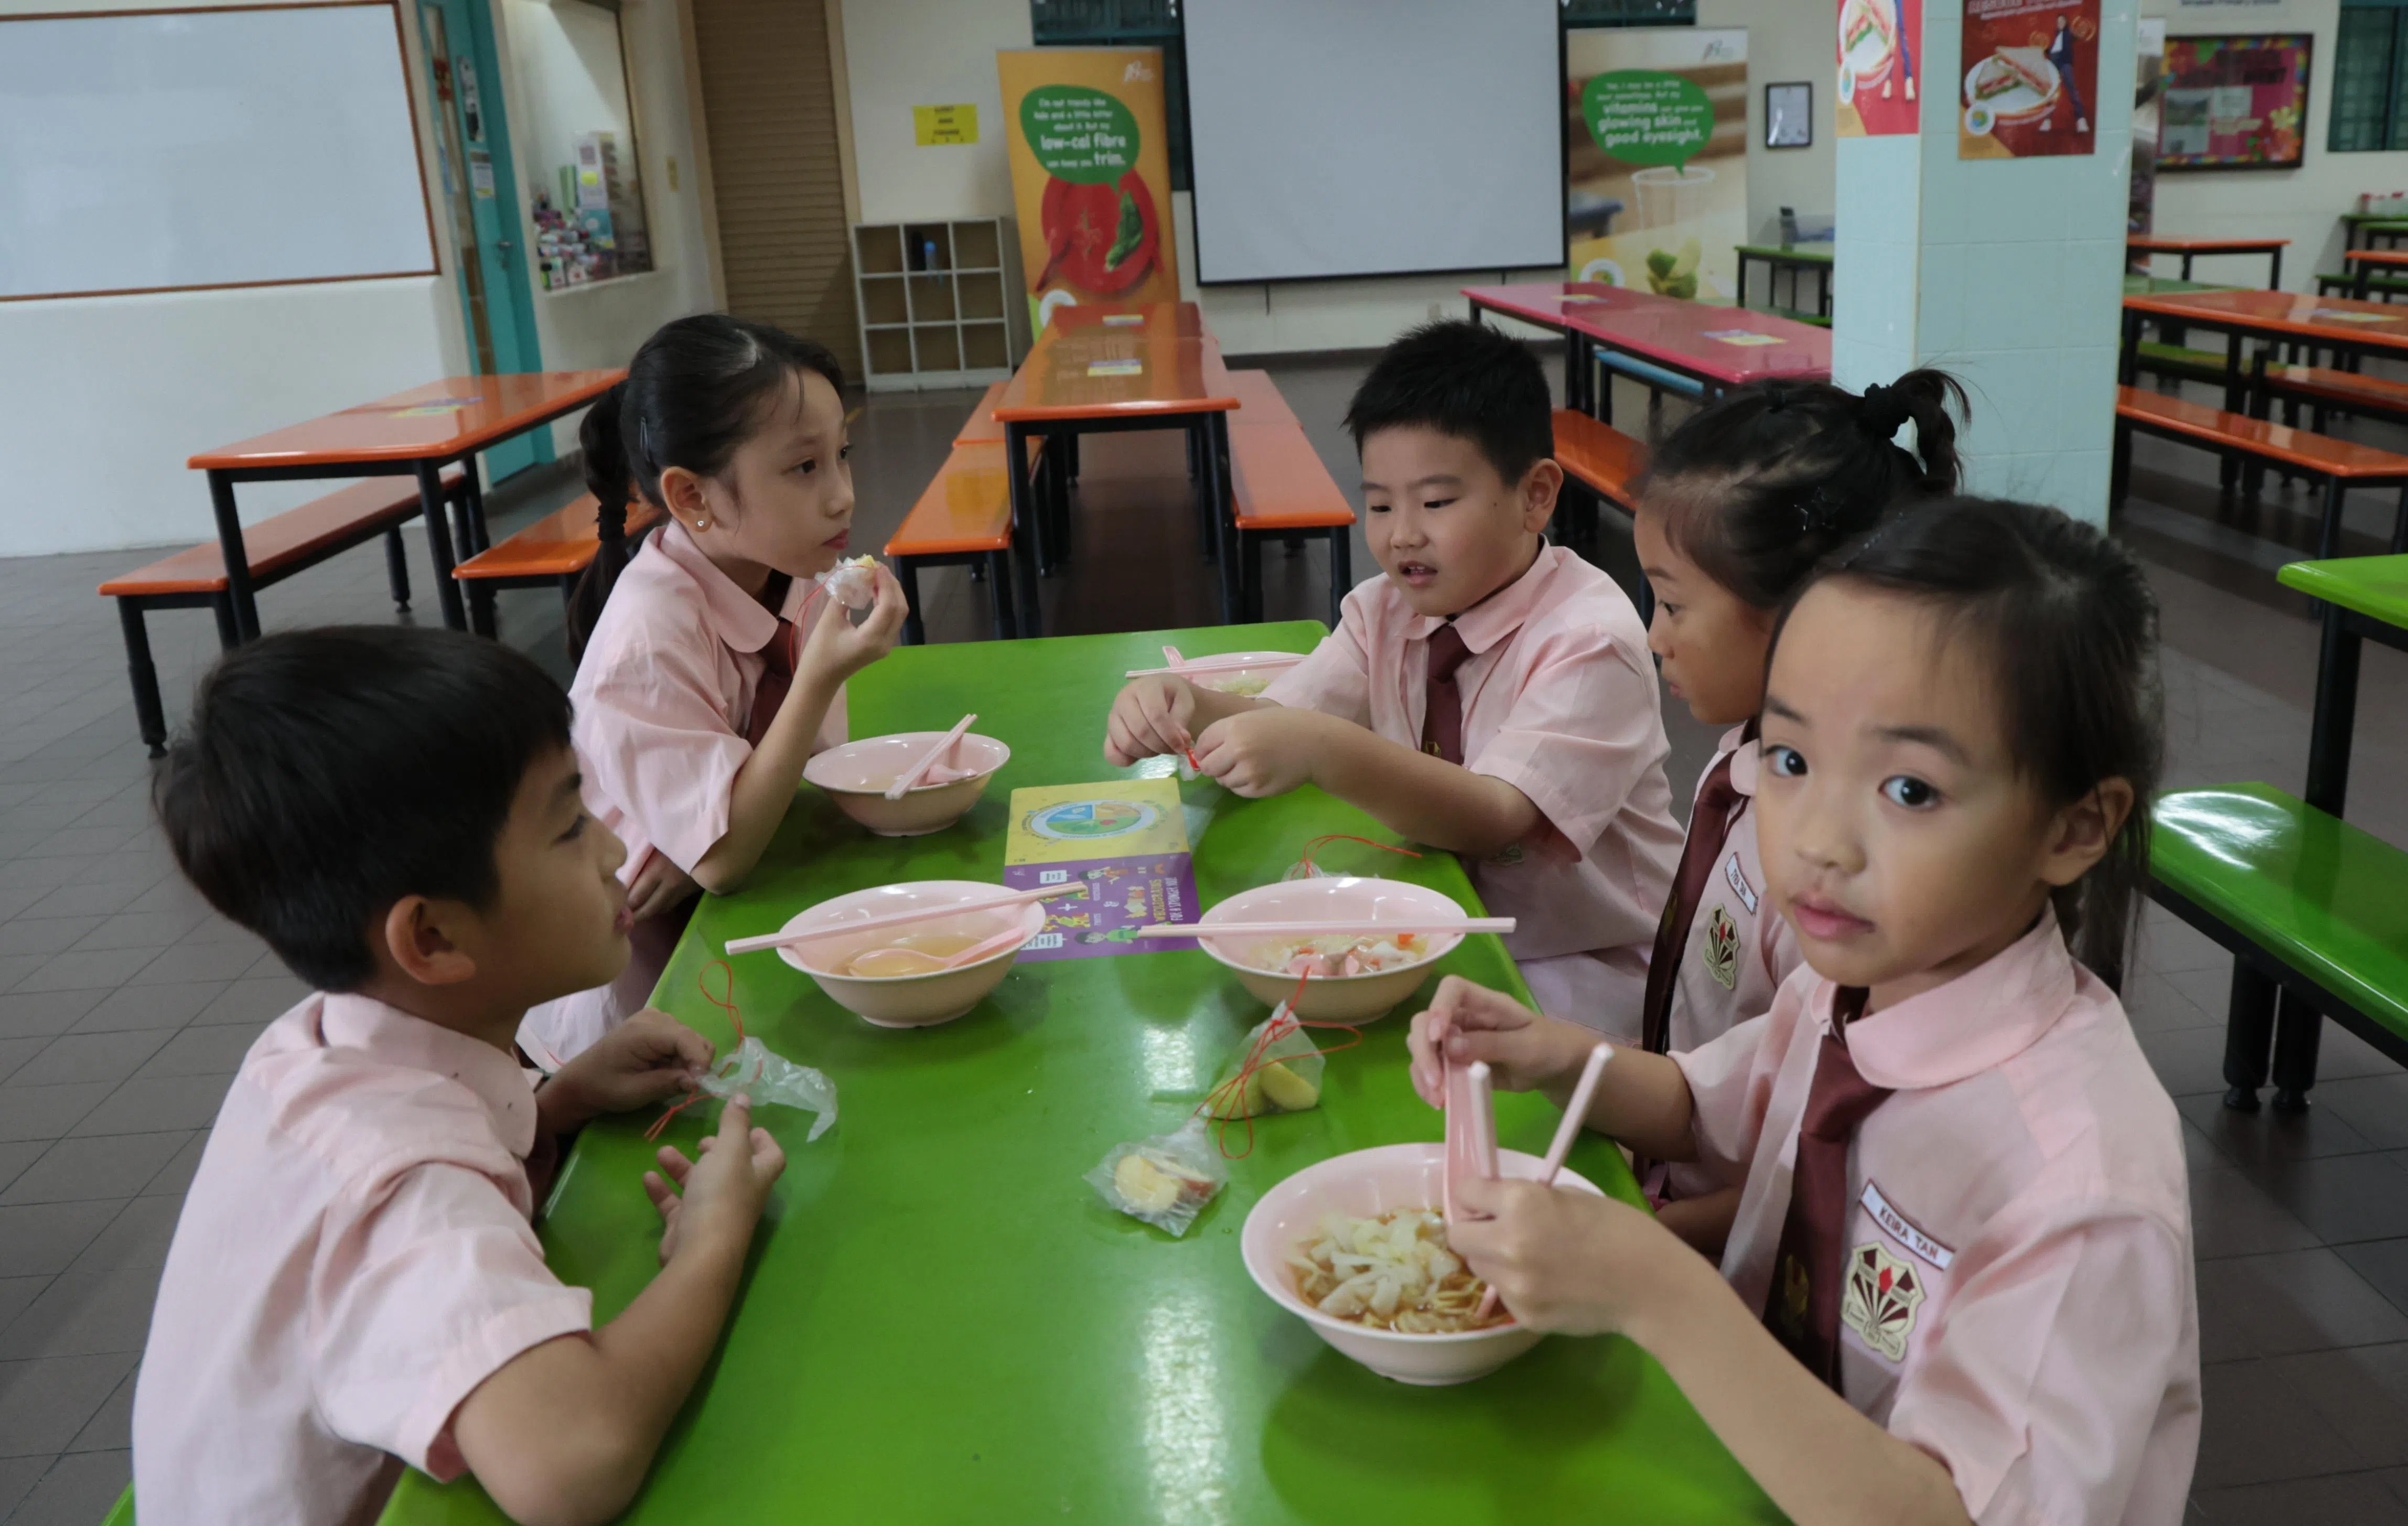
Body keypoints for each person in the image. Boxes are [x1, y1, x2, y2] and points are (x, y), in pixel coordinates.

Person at [1409, 499, 2197, 1524]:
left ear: (2075, 826)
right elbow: (1708, 1109)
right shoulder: (1847, 983)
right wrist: (1550, 1054)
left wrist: (1662, 1293)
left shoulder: (2080, 1187)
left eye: (1910, 790)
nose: (1820, 840)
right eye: (1789, 760)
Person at [133, 627, 788, 1526]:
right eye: (570, 826)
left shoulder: (309, 1044)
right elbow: (573, 1462)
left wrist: (553, 1105)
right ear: (433, 937)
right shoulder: (404, 1193)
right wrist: (714, 1237)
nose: (612, 850)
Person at [1103, 319, 1682, 1030]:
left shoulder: (1589, 638)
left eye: (1435, 503)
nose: (1402, 533)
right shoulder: (1386, 608)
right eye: (1379, 504)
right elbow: (1284, 718)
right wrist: (1186, 705)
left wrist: (1324, 749)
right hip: (1449, 917)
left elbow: (1497, 815)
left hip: (1588, 959)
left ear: (1535, 495)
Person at [1633, 370, 1965, 1253]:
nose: (1654, 634)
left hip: (1737, 1236)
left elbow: (1817, 1172)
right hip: (1683, 1162)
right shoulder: (1746, 751)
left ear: (1799, 620)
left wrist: (1651, 1236)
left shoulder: (1831, 871)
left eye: (1673, 603)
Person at [523, 314, 907, 1068]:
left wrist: (702, 832)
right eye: (804, 468)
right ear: (693, 497)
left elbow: (803, 773)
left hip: (736, 925)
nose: (842, 497)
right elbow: (725, 858)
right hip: (632, 1007)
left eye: (842, 455)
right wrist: (818, 678)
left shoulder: (790, 573)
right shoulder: (646, 641)